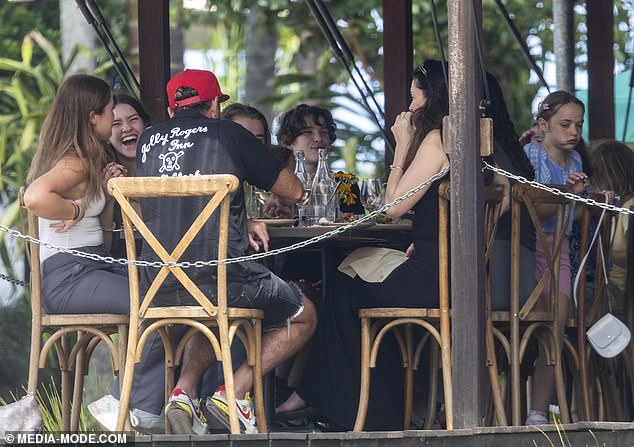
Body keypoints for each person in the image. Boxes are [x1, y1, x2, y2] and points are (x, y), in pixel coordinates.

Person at [135, 68, 317, 434]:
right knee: (305, 313)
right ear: (215, 106)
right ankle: (234, 392)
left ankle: (184, 393)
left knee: (209, 304)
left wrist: (242, 217)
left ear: (171, 110)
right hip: (224, 279)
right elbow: (294, 191)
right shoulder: (228, 134)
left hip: (157, 283)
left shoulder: (147, 140)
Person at [282, 60, 450, 431]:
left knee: (344, 281)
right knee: (350, 269)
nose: (408, 108)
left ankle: (342, 406)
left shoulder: (437, 139)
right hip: (448, 268)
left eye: (413, 97)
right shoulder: (461, 138)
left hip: (431, 276)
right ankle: (346, 401)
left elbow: (393, 207)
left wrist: (402, 146)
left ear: (430, 96)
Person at [23, 75, 164, 432]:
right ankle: (124, 404)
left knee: (169, 290)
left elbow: (100, 239)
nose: (113, 119)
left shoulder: (85, 160)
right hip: (69, 276)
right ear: (92, 118)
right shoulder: (75, 162)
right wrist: (74, 212)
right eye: (108, 113)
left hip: (89, 265)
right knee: (158, 301)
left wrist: (105, 197)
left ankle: (140, 407)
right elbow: (35, 198)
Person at [522, 90, 587, 425]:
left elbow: (570, 215)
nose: (574, 131)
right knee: (525, 326)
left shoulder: (575, 161)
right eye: (565, 124)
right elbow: (533, 209)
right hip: (530, 246)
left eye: (578, 124)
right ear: (543, 125)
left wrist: (587, 202)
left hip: (559, 249)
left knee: (556, 327)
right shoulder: (531, 156)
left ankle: (538, 411)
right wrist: (569, 195)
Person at [484, 72, 537, 312]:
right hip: (524, 255)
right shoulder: (509, 146)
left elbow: (503, 191)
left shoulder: (487, 144)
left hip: (500, 266)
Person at [104, 93, 151, 260]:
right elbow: (105, 243)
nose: (126, 128)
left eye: (133, 119)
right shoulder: (102, 175)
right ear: (106, 136)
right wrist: (110, 193)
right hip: (119, 263)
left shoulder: (164, 167)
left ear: (145, 124)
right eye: (116, 124)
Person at [588, 139, 634, 303]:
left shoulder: (629, 207)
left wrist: (604, 254)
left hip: (620, 290)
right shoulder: (611, 209)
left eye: (593, 177)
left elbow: (630, 256)